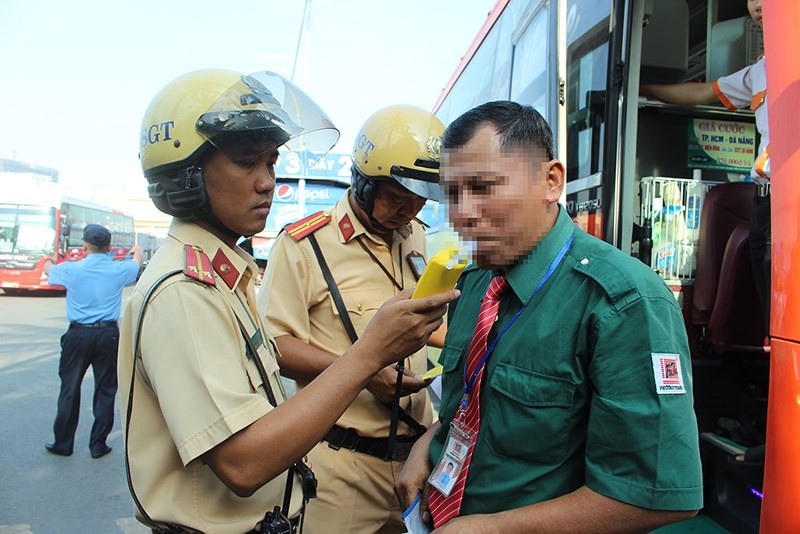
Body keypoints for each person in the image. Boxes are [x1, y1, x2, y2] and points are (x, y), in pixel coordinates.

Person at [119, 69, 457, 533]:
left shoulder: (224, 274)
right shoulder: (185, 289)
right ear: (187, 173)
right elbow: (243, 464)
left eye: (271, 163)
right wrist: (369, 355)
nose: (267, 183)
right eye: (245, 163)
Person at [394, 101, 703, 533]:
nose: (461, 213)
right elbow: (475, 404)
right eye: (452, 194)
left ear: (551, 181)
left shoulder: (625, 302)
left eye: (483, 187)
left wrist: (496, 529)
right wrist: (427, 446)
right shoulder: (475, 283)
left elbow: (656, 495)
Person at [257, 104, 445, 534]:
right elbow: (275, 347)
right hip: (341, 467)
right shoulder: (305, 244)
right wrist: (360, 373)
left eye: (419, 198)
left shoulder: (413, 234)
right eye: (398, 197)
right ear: (362, 182)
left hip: (414, 461)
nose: (410, 209)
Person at [640, 0, 768, 467]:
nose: (758, 13)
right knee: (774, 317)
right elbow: (702, 95)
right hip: (770, 202)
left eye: (767, 5)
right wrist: (639, 86)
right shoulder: (760, 73)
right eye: (754, 7)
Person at [43, 224, 143, 458]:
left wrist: (48, 260)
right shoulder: (119, 270)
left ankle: (63, 443)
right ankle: (98, 444)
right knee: (106, 389)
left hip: (77, 335)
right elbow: (137, 262)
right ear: (109, 247)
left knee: (69, 388)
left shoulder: (71, 269)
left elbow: (49, 270)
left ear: (84, 246)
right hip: (108, 335)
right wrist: (136, 250)